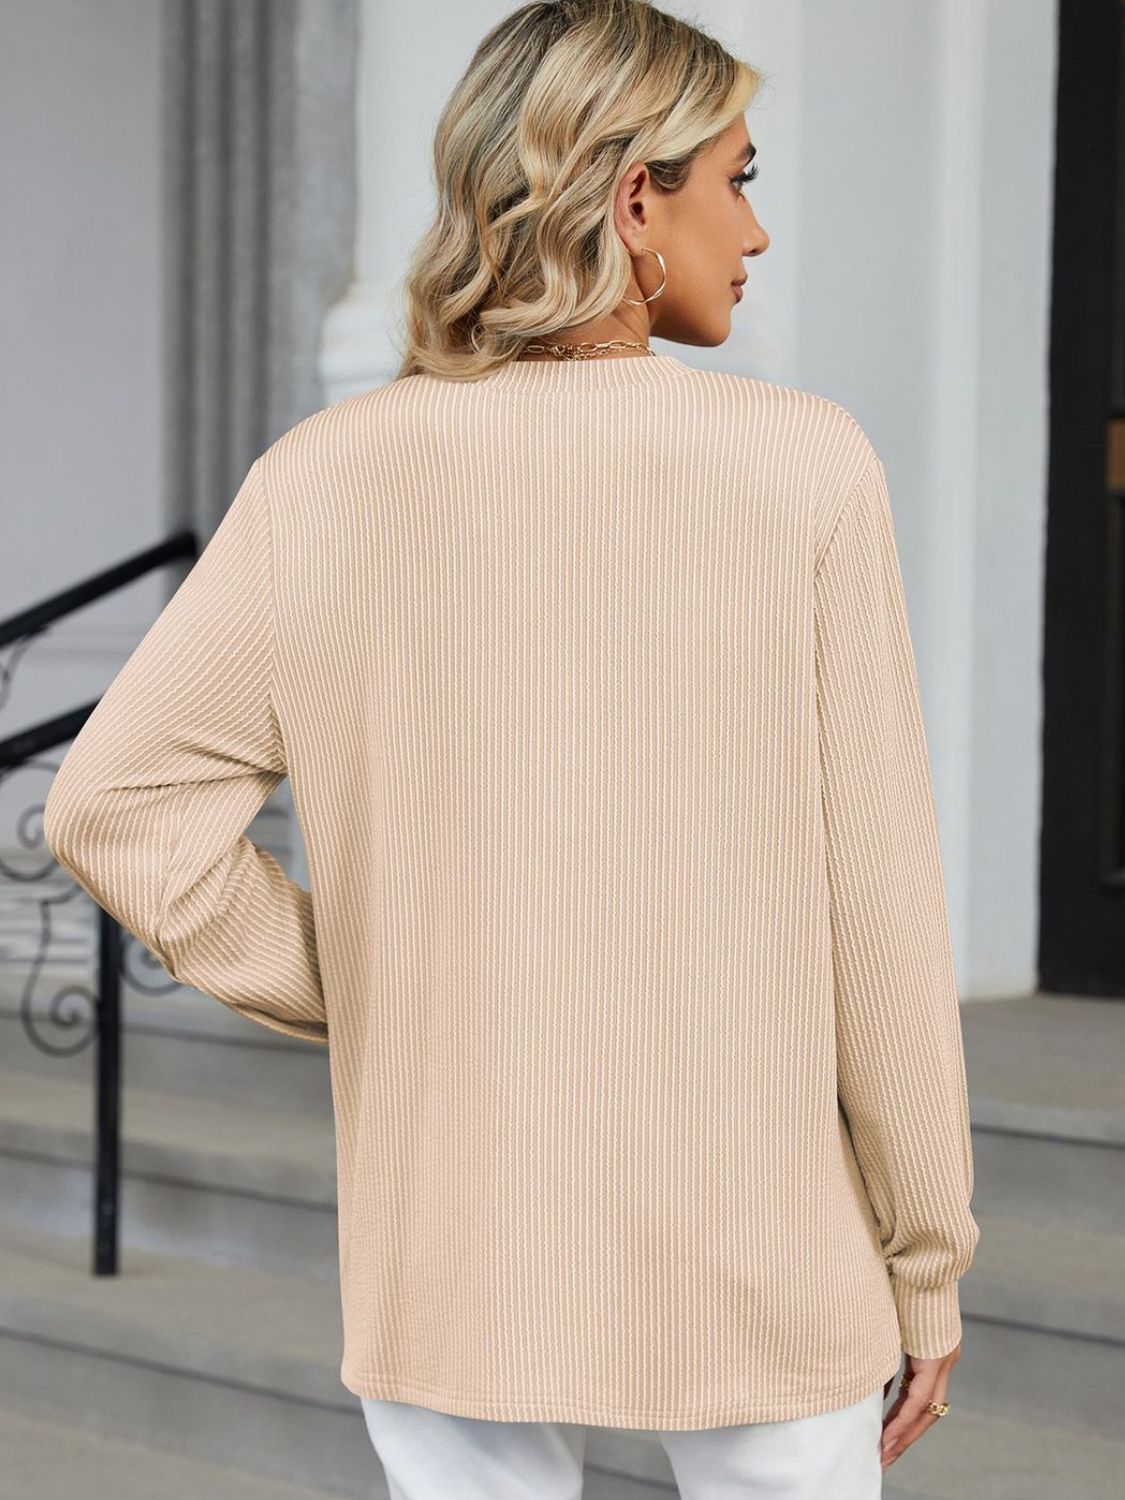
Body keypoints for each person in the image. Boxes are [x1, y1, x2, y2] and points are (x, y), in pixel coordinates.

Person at [40, 0, 980, 1495]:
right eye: (737, 179)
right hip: (756, 1236)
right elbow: (879, 909)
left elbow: (112, 804)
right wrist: (926, 1255)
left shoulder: (325, 479)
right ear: (633, 201)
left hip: (454, 1234)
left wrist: (378, 981)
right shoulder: (802, 466)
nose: (755, 230)